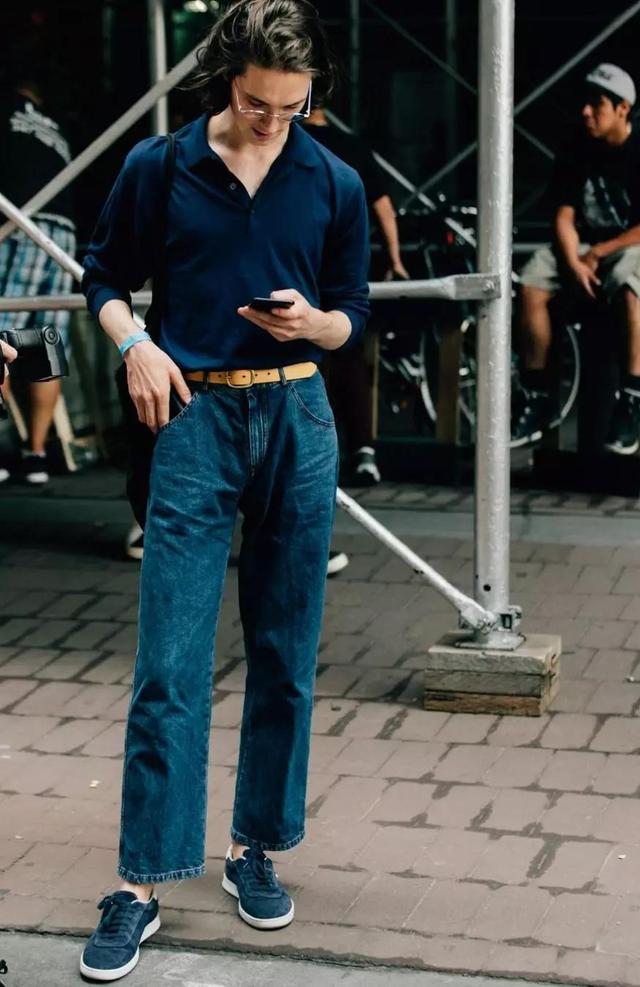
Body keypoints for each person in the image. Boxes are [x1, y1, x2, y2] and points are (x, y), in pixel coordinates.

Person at [78, 0, 369, 981]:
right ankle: (141, 882)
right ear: (225, 82)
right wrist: (136, 343)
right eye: (256, 104)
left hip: (298, 415)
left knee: (285, 651)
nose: (273, 123)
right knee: (169, 659)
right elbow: (103, 277)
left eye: (293, 107)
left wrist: (314, 326)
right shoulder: (158, 167)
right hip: (192, 416)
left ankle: (256, 847)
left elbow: (352, 313)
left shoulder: (332, 180)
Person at [514, 63, 640, 453]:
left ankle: (632, 398)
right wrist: (573, 262)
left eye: (597, 104)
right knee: (532, 282)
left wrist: (597, 253)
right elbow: (564, 216)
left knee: (631, 285)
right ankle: (538, 396)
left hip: (625, 245)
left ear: (622, 108)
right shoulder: (576, 147)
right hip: (581, 249)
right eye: (585, 102)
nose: (586, 111)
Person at [304, 105, 409, 487]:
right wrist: (395, 259)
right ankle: (363, 451)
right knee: (349, 357)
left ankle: (311, 453)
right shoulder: (352, 147)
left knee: (299, 362)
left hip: (301, 266)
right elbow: (384, 208)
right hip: (342, 268)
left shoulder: (287, 142)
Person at [0, 67, 76, 483]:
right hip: (63, 232)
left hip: (20, 225)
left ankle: (3, 454)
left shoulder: (5, 109)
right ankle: (37, 455)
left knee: (1, 336)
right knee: (47, 346)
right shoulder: (55, 129)